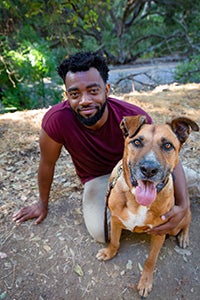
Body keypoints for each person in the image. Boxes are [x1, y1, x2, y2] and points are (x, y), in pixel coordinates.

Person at [12, 51, 189, 243]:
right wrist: (42, 204)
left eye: (93, 91)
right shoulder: (56, 120)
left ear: (107, 89)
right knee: (100, 233)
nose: (85, 100)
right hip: (98, 178)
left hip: (137, 168)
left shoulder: (132, 116)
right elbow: (47, 164)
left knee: (183, 185)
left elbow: (167, 155)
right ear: (66, 96)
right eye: (75, 94)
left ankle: (181, 190)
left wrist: (184, 204)